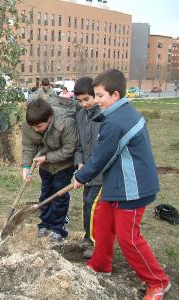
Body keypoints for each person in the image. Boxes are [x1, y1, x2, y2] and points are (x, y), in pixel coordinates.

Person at [73, 69, 170, 300]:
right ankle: (100, 265)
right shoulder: (122, 113)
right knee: (103, 223)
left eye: (99, 96)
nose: (96, 101)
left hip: (132, 188)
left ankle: (158, 282)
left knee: (129, 239)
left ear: (115, 95)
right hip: (117, 184)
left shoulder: (116, 121)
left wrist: (80, 176)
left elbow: (101, 157)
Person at [22, 99, 77, 242]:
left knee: (59, 195)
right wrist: (26, 167)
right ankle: (45, 224)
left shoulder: (65, 122)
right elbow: (29, 146)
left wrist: (46, 158)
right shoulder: (30, 123)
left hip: (64, 165)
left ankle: (59, 228)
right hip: (45, 166)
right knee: (46, 194)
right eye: (32, 126)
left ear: (49, 118)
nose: (35, 129)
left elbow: (69, 150)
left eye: (39, 126)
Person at [73, 77, 102, 258]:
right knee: (86, 204)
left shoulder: (103, 116)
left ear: (95, 96)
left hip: (101, 173)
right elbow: (79, 145)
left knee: (94, 206)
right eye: (80, 101)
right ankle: (87, 236)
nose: (83, 104)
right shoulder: (79, 116)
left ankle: (95, 243)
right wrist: (80, 163)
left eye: (87, 99)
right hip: (86, 172)